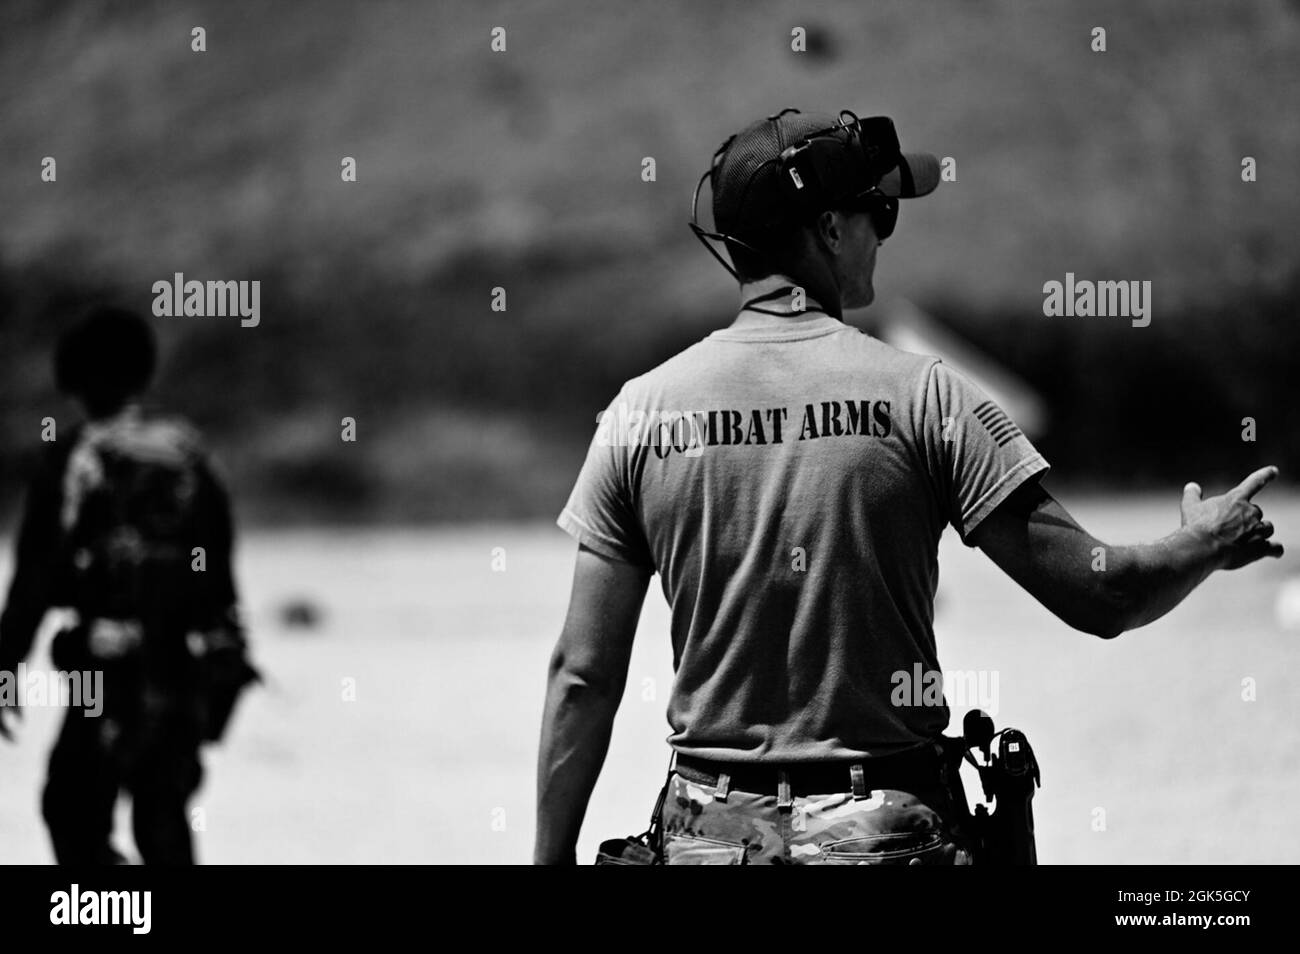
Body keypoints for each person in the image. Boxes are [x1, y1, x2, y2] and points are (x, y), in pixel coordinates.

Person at [534, 108, 1282, 865]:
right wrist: (1207, 541)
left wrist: (549, 860)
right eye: (879, 213)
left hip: (708, 836)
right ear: (830, 229)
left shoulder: (640, 414)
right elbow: (1102, 596)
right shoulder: (926, 397)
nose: (884, 235)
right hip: (883, 833)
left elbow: (583, 674)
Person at [0, 306, 257, 864]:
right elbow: (218, 575)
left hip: (100, 671)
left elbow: (36, 580)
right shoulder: (190, 456)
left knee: (72, 809)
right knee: (163, 817)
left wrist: (5, 665)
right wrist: (227, 661)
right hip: (179, 670)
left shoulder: (74, 460)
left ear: (73, 380)